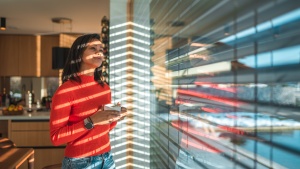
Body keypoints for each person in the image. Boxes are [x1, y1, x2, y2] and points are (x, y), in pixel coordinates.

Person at [50, 33, 127, 169]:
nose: (99, 52)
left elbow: (104, 128)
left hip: (107, 158)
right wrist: (91, 121)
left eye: (101, 49)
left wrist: (114, 117)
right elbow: (56, 137)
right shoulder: (66, 90)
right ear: (79, 54)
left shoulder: (104, 88)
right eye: (93, 48)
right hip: (80, 162)